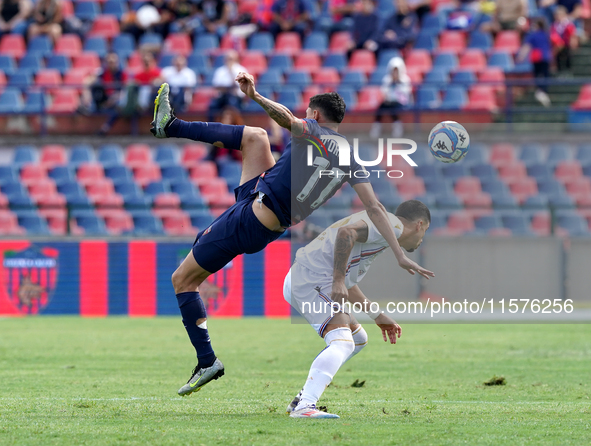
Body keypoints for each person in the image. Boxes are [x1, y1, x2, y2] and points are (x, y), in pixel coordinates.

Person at [149, 74, 434, 397]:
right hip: (264, 209)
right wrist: (398, 253)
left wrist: (255, 96)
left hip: (254, 217)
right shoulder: (351, 157)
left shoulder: (315, 133)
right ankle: (169, 126)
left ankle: (207, 361)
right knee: (255, 137)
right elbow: (376, 207)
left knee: (182, 280)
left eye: (307, 113)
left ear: (314, 115)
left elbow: (285, 118)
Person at [284, 200, 430, 418]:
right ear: (419, 225)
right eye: (424, 232)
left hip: (307, 278)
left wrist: (377, 315)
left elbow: (348, 285)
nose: (421, 240)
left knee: (358, 338)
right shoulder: (392, 224)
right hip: (311, 279)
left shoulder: (378, 236)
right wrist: (337, 280)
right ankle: (305, 406)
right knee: (342, 341)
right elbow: (346, 233)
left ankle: (302, 398)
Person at [80, 52, 129, 134]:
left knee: (119, 105)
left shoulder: (122, 74)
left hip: (116, 100)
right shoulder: (102, 73)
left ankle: (104, 128)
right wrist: (86, 94)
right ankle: (89, 109)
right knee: (96, 87)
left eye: (113, 62)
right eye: (109, 62)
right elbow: (87, 81)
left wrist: (114, 99)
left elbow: (126, 90)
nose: (111, 64)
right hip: (104, 98)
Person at [370, 57, 412, 139]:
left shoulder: (405, 80)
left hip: (401, 102)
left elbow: (406, 93)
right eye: (393, 70)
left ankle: (397, 126)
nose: (395, 73)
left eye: (396, 70)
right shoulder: (387, 79)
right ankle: (377, 126)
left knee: (393, 106)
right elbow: (384, 92)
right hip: (389, 101)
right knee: (381, 107)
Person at [517, 17, 552, 107]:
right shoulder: (546, 34)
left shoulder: (533, 35)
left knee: (537, 75)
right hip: (546, 57)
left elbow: (527, 46)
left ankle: (540, 91)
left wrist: (521, 56)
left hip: (538, 58)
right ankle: (543, 91)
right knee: (545, 75)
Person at [208, 50, 245, 121]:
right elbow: (216, 86)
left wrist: (231, 72)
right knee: (212, 106)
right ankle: (211, 127)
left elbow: (239, 87)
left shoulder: (241, 70)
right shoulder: (220, 71)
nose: (229, 61)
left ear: (236, 59)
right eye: (227, 59)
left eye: (231, 59)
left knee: (232, 103)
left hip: (236, 97)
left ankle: (236, 126)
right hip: (222, 96)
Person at [551, 5, 578, 72]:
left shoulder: (568, 24)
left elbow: (572, 34)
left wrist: (572, 43)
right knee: (559, 59)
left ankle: (569, 71)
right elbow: (553, 35)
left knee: (568, 58)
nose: (558, 16)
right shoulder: (554, 25)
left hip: (566, 45)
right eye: (556, 15)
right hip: (558, 46)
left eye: (559, 15)